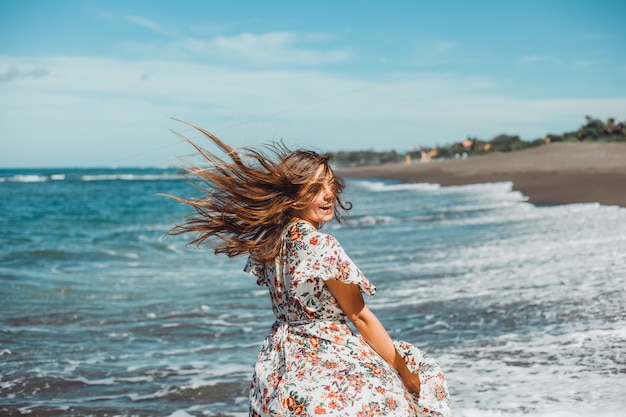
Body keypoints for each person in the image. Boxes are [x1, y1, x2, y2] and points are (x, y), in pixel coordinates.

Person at [165, 122, 452, 417]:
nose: (329, 195)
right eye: (316, 188)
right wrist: (405, 373)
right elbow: (359, 316)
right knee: (423, 377)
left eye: (332, 185)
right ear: (291, 196)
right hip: (328, 360)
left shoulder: (272, 243)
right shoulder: (321, 244)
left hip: (280, 365)